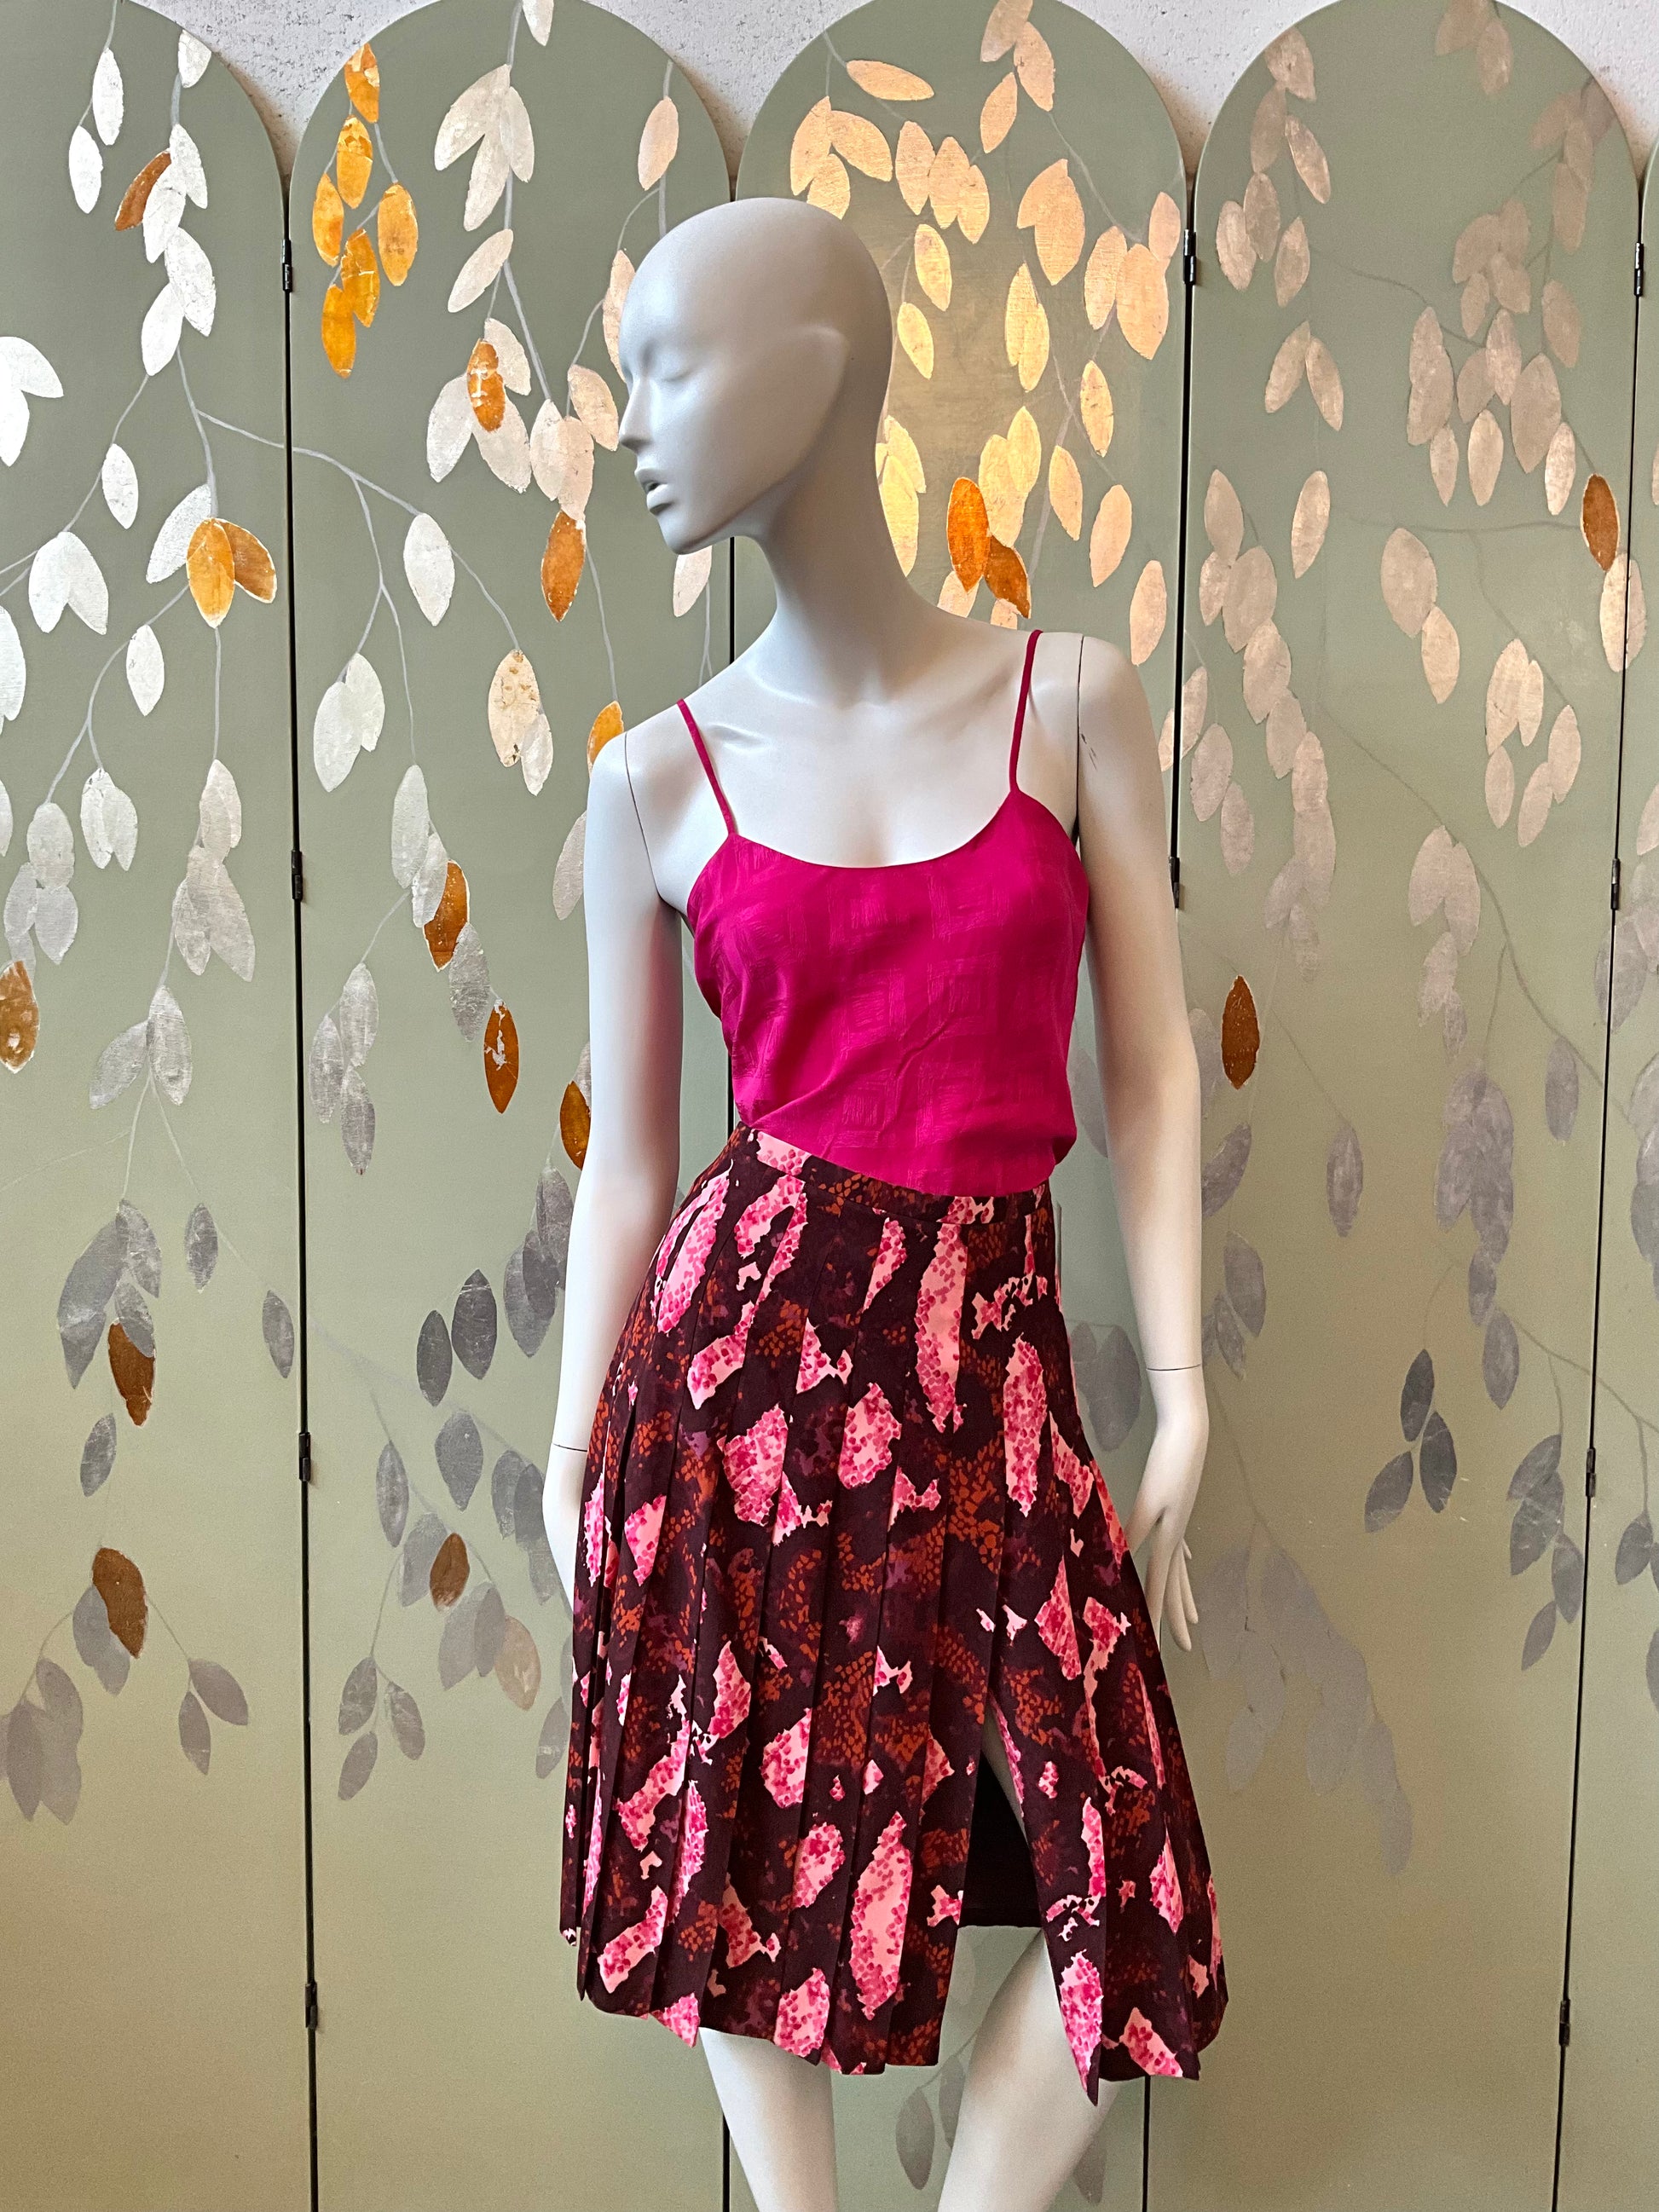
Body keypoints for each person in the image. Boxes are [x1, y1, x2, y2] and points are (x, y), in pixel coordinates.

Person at [543, 196, 1225, 2212]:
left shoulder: (1065, 701)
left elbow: (1153, 1066)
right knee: (745, 1855)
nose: (635, 417)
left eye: (671, 361)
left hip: (992, 1372)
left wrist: (1178, 1382)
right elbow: (631, 1156)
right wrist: (575, 1435)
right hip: (736, 1395)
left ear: (815, 374)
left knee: (1132, 1896)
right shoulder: (655, 778)